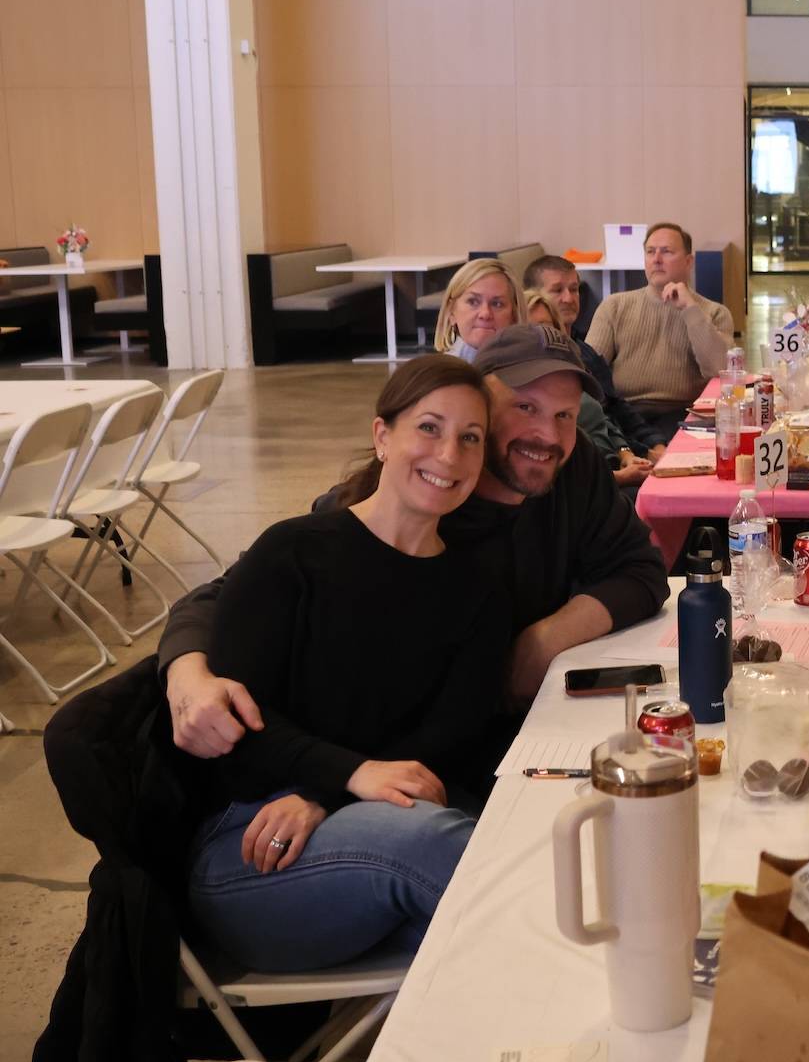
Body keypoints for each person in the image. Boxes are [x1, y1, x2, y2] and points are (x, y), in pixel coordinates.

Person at [162, 324, 672, 760]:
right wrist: (186, 673)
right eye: (525, 406)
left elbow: (642, 570)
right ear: (481, 405)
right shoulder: (408, 504)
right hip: (400, 763)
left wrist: (540, 644)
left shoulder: (570, 462)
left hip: (492, 737)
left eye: (565, 413)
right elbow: (227, 594)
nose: (547, 433)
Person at [182, 355, 508, 971]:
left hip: (378, 821)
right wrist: (344, 779)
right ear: (382, 436)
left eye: (471, 439)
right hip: (255, 842)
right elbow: (237, 731)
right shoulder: (293, 554)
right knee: (443, 851)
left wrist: (333, 795)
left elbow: (448, 742)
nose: (449, 455)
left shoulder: (478, 590)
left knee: (495, 876)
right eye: (430, 428)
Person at [584, 221, 733, 457]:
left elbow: (720, 370)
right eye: (650, 252)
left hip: (685, 414)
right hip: (626, 412)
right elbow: (589, 372)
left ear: (689, 261)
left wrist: (689, 309)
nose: (657, 259)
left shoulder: (714, 312)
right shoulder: (615, 306)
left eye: (667, 251)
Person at [525, 288, 648, 489]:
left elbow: (605, 417)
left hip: (614, 470)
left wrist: (626, 454)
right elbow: (562, 477)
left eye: (546, 328)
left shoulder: (570, 370)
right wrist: (621, 477)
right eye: (529, 329)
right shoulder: (529, 393)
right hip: (597, 487)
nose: (539, 337)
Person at [524, 253, 650, 450]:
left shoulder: (584, 349)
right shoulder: (537, 367)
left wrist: (655, 444)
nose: (569, 298)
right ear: (534, 296)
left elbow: (616, 407)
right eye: (557, 290)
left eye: (574, 289)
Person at [434, 258, 521, 360]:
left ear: (514, 315)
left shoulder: (528, 369)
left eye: (497, 304)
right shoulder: (440, 374)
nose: (485, 314)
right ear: (451, 312)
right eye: (473, 302)